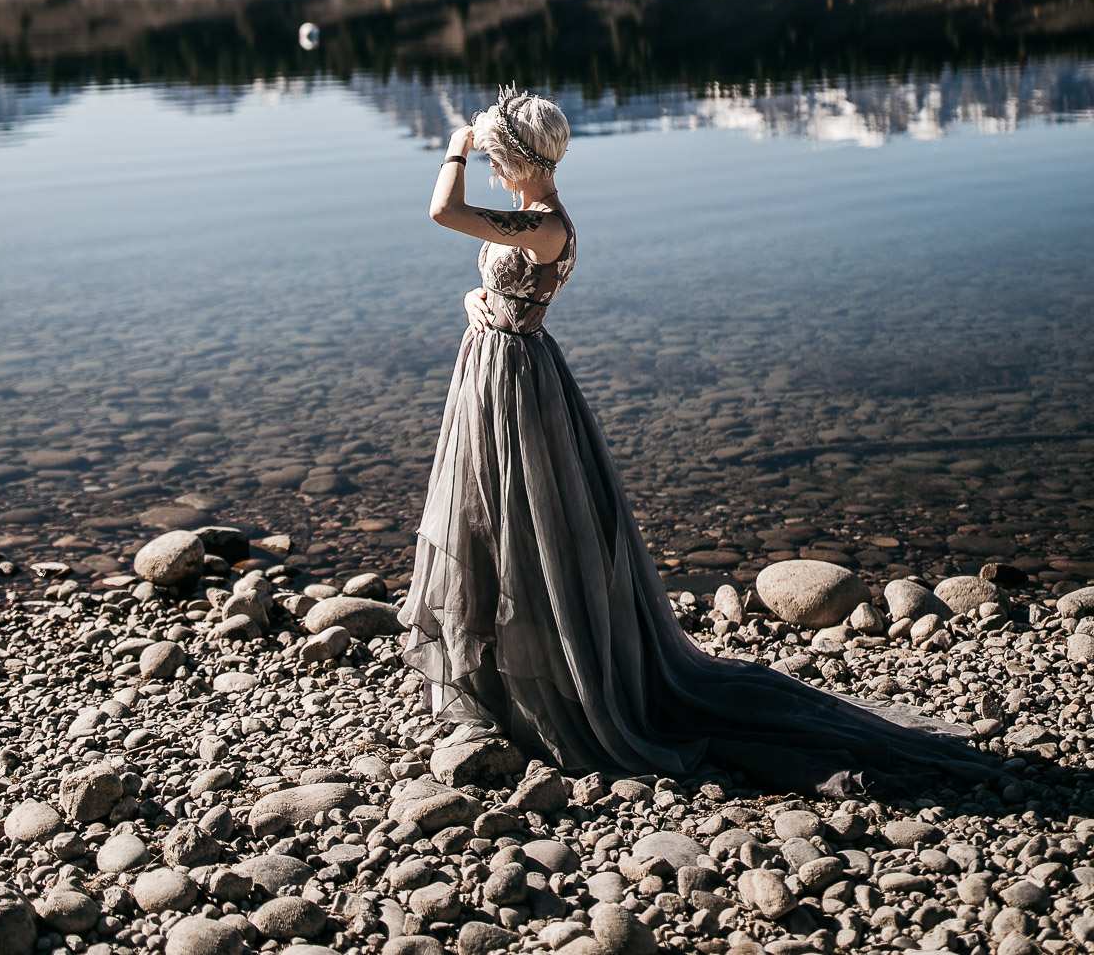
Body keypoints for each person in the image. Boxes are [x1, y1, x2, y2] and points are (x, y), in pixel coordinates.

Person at [399, 86, 994, 795]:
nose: (491, 166)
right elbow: (505, 281)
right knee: (492, 515)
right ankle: (505, 674)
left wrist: (455, 147)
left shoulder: (548, 225)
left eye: (497, 156)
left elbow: (444, 212)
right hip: (498, 370)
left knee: (528, 520)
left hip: (517, 382)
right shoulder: (531, 219)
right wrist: (479, 298)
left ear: (522, 158)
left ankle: (558, 681)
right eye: (486, 156)